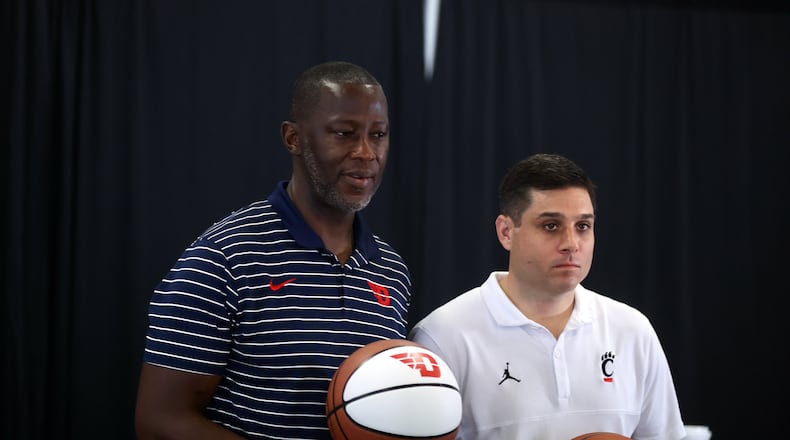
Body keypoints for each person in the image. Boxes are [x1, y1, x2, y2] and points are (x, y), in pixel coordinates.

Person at [135, 61, 412, 439]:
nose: (366, 152)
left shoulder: (390, 270)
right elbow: (158, 420)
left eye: (378, 134)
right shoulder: (225, 257)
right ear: (293, 138)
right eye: (344, 133)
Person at [408, 153, 685, 439]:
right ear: (506, 232)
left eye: (583, 226)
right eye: (551, 226)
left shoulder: (633, 330)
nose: (571, 243)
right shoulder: (443, 336)